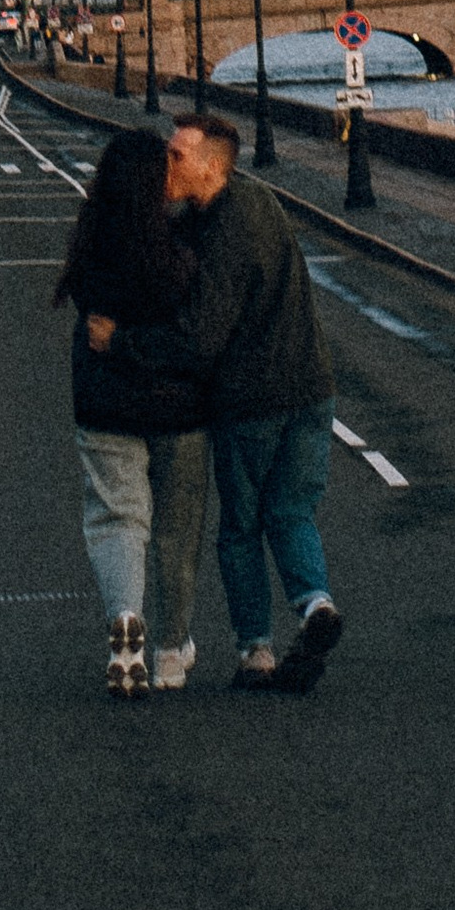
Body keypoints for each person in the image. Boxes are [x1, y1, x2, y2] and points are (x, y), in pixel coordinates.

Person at [161, 108, 344, 694]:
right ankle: (316, 608)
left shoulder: (223, 235)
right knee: (291, 512)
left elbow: (202, 335)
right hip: (311, 388)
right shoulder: (257, 201)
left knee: (240, 528)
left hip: (251, 402)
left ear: (211, 168)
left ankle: (255, 652)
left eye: (177, 155)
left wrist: (131, 344)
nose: (169, 162)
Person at [53, 129, 210, 698]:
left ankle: (125, 616)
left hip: (105, 403)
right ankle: (171, 647)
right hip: (178, 407)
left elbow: (94, 321)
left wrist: (115, 339)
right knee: (176, 530)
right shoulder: (182, 253)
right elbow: (195, 334)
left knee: (117, 517)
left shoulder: (92, 245)